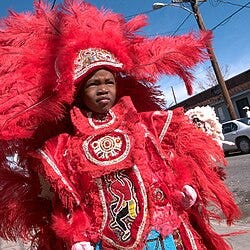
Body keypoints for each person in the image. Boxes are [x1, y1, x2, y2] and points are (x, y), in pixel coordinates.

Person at [0, 1, 240, 249]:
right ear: (80, 92)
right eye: (94, 84)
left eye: (109, 82)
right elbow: (72, 199)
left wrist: (183, 183)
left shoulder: (146, 124)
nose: (103, 89)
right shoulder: (65, 146)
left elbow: (167, 162)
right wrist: (77, 234)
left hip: (159, 233)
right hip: (106, 240)